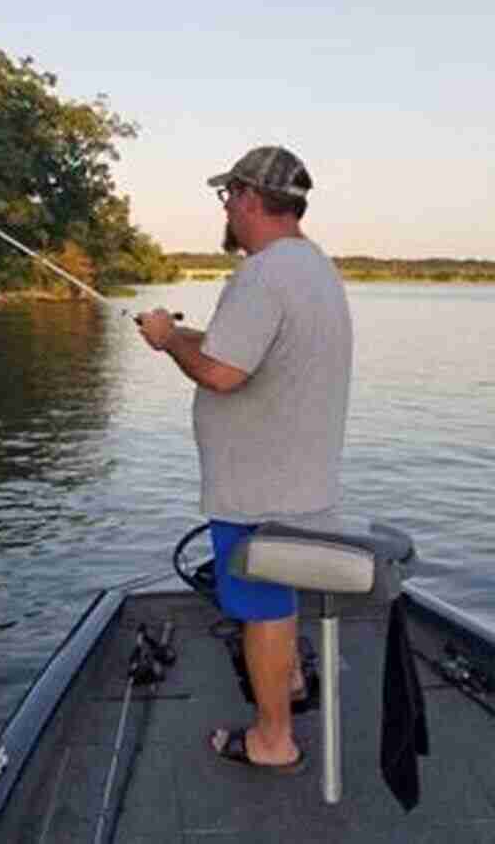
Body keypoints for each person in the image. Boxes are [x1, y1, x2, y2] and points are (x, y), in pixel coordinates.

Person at [137, 145, 352, 772]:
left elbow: (223, 374)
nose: (226, 208)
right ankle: (284, 687)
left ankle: (272, 740)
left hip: (257, 491)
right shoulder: (311, 267)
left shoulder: (261, 275)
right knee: (275, 604)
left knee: (262, 610)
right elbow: (246, 351)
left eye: (228, 196)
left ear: (249, 197)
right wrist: (177, 336)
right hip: (299, 483)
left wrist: (170, 340)